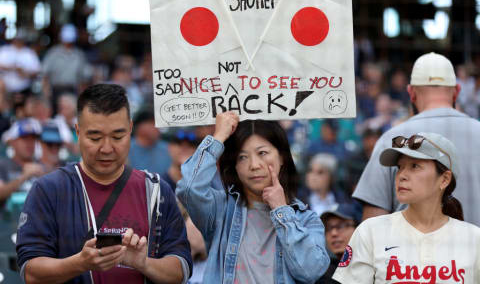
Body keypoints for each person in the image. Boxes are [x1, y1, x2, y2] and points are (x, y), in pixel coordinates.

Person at [16, 84, 192, 283]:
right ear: (78, 132)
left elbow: (180, 269)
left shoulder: (156, 190)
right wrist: (80, 263)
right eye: (95, 137)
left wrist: (143, 263)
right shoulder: (49, 190)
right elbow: (30, 272)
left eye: (118, 137)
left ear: (131, 130)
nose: (106, 148)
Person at [176, 111, 330, 284]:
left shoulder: (306, 220)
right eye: (242, 157)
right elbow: (189, 189)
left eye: (262, 153)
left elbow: (311, 272)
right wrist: (218, 137)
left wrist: (282, 212)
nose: (254, 165)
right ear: (234, 166)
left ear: (282, 158)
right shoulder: (221, 211)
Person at [333, 132, 480, 283]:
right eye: (400, 167)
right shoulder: (370, 231)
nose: (402, 175)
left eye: (415, 166)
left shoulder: (474, 239)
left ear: (444, 179)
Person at [353, 52, 480, 226]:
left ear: (411, 93)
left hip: (412, 251)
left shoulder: (393, 138)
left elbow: (373, 224)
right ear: (456, 91)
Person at [0, 118, 45, 211]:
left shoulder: (42, 166)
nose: (29, 143)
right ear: (12, 142)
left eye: (33, 139)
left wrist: (45, 178)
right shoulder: (3, 165)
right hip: (10, 222)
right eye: (24, 139)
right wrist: (24, 176)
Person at [316, 203, 361, 284]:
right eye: (328, 228)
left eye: (341, 226)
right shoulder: (322, 274)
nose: (333, 233)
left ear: (358, 228)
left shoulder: (372, 266)